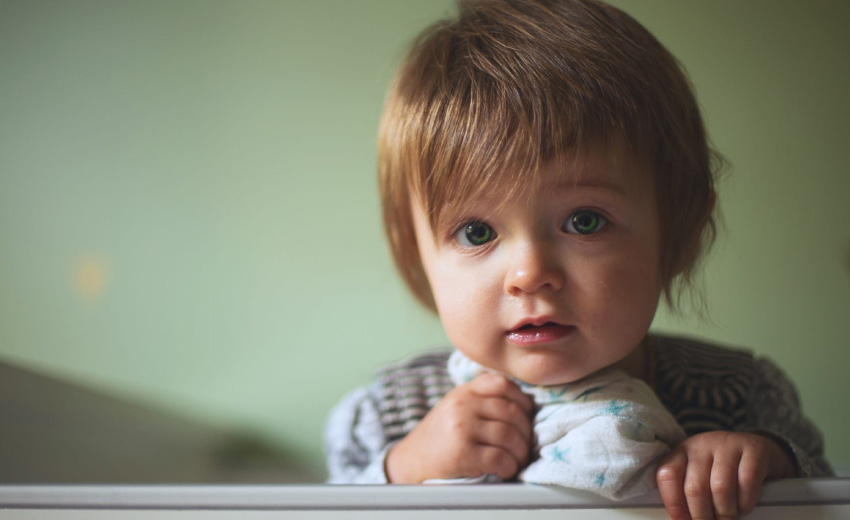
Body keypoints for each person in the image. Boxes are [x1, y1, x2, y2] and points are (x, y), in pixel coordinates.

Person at [324, 0, 833, 517]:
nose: (530, 275)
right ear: (418, 254)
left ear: (678, 229)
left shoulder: (737, 396)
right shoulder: (391, 413)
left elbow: (825, 497)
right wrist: (402, 472)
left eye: (584, 221)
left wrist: (768, 468)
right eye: (476, 232)